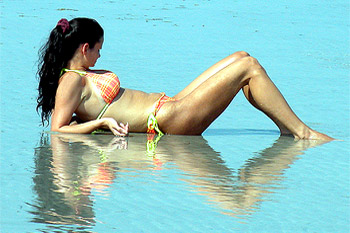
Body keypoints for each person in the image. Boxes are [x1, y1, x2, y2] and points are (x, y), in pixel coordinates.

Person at [37, 17, 333, 140]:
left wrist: (90, 122)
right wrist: (100, 123)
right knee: (250, 68)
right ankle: (303, 133)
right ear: (85, 48)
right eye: (99, 50)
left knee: (241, 56)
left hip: (170, 104)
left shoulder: (82, 74)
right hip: (167, 119)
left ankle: (286, 129)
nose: (100, 57)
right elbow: (58, 130)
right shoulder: (71, 81)